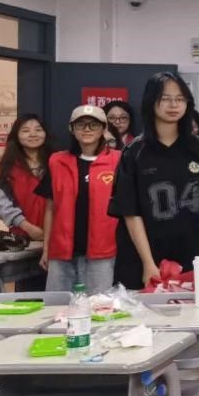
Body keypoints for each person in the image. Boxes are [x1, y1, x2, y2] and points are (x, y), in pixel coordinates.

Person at [110, 72, 199, 290]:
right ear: (151, 101)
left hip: (191, 255)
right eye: (165, 98)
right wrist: (148, 263)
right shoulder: (135, 152)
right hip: (143, 258)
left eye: (180, 98)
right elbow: (130, 211)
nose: (174, 105)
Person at [37, 105, 121, 293]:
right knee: (58, 305)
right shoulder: (57, 161)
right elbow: (50, 208)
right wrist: (46, 248)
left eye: (94, 125)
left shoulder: (118, 160)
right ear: (72, 129)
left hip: (103, 250)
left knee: (98, 306)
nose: (87, 129)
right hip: (61, 251)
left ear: (104, 129)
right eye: (81, 125)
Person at [0, 114, 51, 243]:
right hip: (22, 238)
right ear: (16, 136)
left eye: (38, 130)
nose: (33, 134)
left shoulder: (57, 164)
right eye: (25, 130)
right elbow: (2, 204)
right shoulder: (5, 171)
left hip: (56, 238)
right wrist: (27, 227)